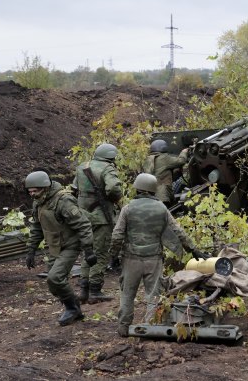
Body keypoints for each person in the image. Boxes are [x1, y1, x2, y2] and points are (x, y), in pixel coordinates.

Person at [110, 173, 209, 337]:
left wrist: (113, 254)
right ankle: (150, 328)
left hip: (131, 259)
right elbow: (178, 231)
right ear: (153, 189)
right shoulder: (161, 208)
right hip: (154, 259)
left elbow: (117, 234)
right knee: (153, 295)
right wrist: (193, 249)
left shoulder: (128, 208)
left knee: (127, 293)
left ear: (138, 188)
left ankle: (123, 328)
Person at [24, 170, 97, 326]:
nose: (32, 194)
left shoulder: (63, 201)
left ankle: (72, 309)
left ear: (45, 187)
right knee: (53, 285)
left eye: (35, 191)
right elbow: (37, 227)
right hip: (55, 246)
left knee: (55, 278)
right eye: (29, 191)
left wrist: (88, 249)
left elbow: (83, 225)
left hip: (70, 246)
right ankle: (74, 306)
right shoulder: (38, 202)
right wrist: (31, 250)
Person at [72, 143, 123, 304]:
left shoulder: (82, 166)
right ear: (111, 157)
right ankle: (95, 290)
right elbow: (114, 189)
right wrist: (114, 200)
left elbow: (74, 188)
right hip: (101, 217)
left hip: (83, 216)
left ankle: (83, 289)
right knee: (100, 253)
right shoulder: (108, 168)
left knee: (88, 251)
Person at [142, 139, 189, 207]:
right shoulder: (164, 158)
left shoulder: (149, 159)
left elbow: (159, 171)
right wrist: (184, 152)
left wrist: (174, 171)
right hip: (162, 194)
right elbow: (181, 161)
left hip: (149, 194)